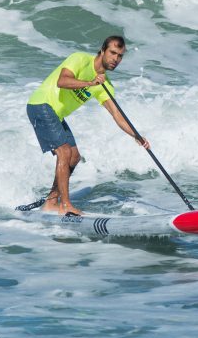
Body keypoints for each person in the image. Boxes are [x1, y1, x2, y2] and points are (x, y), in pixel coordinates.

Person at [26, 36, 149, 215]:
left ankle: (51, 201)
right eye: (113, 53)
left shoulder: (105, 84)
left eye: (120, 56)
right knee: (65, 152)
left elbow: (117, 114)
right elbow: (63, 81)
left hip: (56, 114)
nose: (116, 59)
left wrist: (137, 136)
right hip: (41, 105)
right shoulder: (80, 59)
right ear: (102, 50)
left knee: (74, 157)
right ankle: (66, 206)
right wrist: (90, 83)